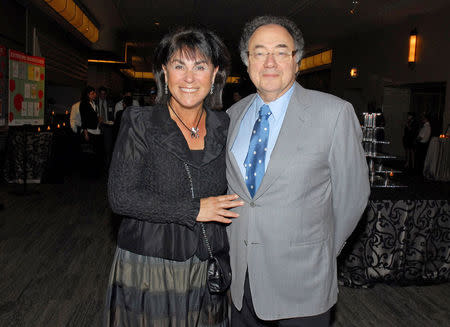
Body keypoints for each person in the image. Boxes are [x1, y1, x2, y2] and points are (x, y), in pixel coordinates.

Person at [226, 16, 370, 326]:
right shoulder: (232, 115)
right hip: (241, 279)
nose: (270, 62)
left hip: (303, 280)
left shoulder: (334, 113)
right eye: (259, 52)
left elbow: (353, 196)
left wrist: (321, 253)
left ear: (297, 60)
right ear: (246, 62)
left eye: (281, 51)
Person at [104, 27, 243, 327]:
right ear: (165, 72)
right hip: (151, 265)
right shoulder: (140, 122)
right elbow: (121, 197)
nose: (189, 78)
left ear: (215, 73)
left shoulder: (224, 123)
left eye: (200, 66)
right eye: (179, 66)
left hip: (208, 262)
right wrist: (194, 210)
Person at [79, 86, 103, 178]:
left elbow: (93, 117)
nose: (95, 95)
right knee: (88, 154)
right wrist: (85, 133)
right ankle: (87, 175)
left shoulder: (93, 103)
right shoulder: (84, 104)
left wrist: (98, 119)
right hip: (89, 131)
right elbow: (84, 119)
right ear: (88, 94)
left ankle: (93, 174)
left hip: (95, 131)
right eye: (92, 93)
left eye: (94, 93)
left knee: (94, 154)